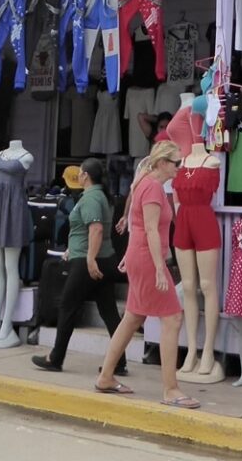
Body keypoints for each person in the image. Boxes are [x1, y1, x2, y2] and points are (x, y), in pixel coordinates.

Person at [94, 140, 197, 408]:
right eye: (176, 163)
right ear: (163, 163)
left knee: (131, 318)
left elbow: (135, 222)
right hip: (148, 259)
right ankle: (170, 389)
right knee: (172, 318)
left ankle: (106, 376)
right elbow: (150, 229)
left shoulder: (144, 179)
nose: (179, 167)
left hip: (139, 257)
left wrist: (131, 255)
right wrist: (161, 268)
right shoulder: (152, 187)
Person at [33, 158, 125, 373]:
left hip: (88, 261)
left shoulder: (92, 198)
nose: (79, 175)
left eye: (81, 172)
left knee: (67, 306)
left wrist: (89, 258)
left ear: (85, 176)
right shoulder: (99, 195)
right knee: (109, 312)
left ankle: (55, 357)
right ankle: (119, 361)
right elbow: (85, 232)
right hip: (96, 257)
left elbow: (96, 230)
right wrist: (73, 249)